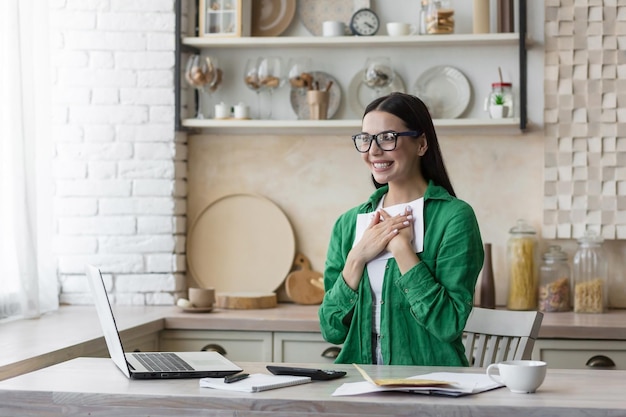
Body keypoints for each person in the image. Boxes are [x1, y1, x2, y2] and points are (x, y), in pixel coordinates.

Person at [318, 92, 484, 366]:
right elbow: (331, 330)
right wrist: (357, 258)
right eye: (366, 139)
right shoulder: (348, 224)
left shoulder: (455, 218)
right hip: (360, 384)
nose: (373, 150)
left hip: (432, 385)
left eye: (387, 137)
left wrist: (402, 249)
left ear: (421, 144)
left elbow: (448, 324)